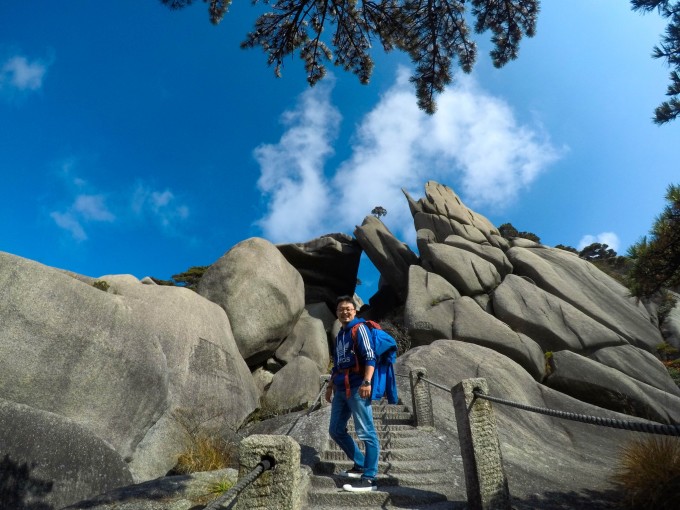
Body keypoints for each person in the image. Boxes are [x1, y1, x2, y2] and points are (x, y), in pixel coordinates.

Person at [325, 295, 380, 492]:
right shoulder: (340, 334)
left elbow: (370, 356)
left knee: (366, 431)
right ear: (337, 313)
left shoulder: (360, 329)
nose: (344, 312)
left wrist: (367, 382)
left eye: (348, 308)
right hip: (340, 387)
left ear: (354, 311)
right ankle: (360, 464)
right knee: (336, 430)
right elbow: (338, 364)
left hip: (357, 386)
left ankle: (370, 477)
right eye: (341, 309)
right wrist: (330, 386)